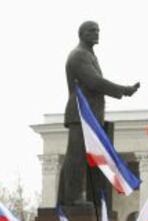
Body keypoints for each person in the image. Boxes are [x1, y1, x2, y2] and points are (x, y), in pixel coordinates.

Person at [58, 21, 140, 205]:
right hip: (81, 113)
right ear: (81, 34)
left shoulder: (89, 55)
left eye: (98, 30)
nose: (96, 33)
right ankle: (72, 198)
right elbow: (94, 82)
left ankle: (67, 198)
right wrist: (124, 90)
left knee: (79, 156)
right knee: (76, 155)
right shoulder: (79, 55)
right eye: (91, 30)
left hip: (90, 115)